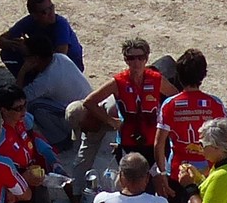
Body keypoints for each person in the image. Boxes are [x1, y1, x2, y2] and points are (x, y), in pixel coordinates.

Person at [153, 49, 226, 203]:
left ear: (178, 76)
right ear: (203, 75)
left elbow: (158, 144)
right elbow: (224, 141)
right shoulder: (215, 104)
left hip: (178, 172)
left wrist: (161, 173)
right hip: (208, 174)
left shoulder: (170, 104)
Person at [70, 36, 166, 181]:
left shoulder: (156, 79)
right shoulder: (119, 82)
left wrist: (164, 123)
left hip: (153, 140)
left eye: (140, 57)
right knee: (130, 182)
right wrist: (111, 121)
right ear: (126, 60)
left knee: (158, 181)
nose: (136, 62)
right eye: (131, 58)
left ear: (146, 58)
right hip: (128, 140)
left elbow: (175, 99)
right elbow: (90, 102)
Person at [0, 0, 85, 77]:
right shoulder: (29, 22)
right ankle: (28, 82)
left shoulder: (60, 24)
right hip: (46, 61)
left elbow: (60, 58)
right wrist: (12, 44)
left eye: (51, 7)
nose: (51, 13)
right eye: (44, 12)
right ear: (34, 15)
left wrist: (28, 51)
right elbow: (2, 41)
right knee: (7, 53)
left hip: (69, 69)